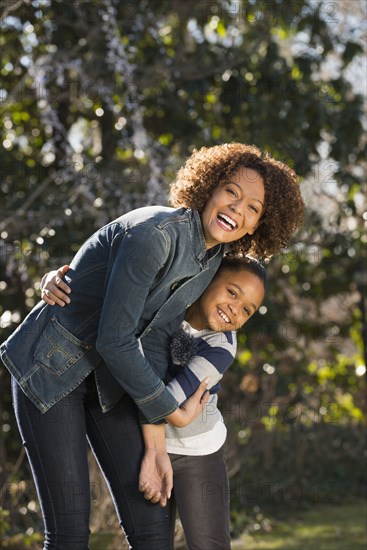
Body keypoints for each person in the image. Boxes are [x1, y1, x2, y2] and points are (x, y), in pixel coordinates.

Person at [1, 143, 304, 549]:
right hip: (52, 370)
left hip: (110, 382)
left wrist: (157, 448)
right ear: (210, 187)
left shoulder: (210, 260)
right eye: (232, 192)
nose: (238, 208)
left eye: (253, 208)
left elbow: (157, 340)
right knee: (70, 533)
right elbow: (115, 338)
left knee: (152, 531)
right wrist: (171, 413)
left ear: (257, 227)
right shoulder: (156, 235)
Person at [44, 255, 266, 549]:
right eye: (232, 292)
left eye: (246, 310)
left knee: (209, 544)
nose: (234, 309)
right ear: (209, 278)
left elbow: (168, 398)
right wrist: (54, 279)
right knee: (150, 541)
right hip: (142, 443)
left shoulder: (221, 348)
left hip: (197, 452)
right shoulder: (166, 302)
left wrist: (176, 414)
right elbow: (117, 296)